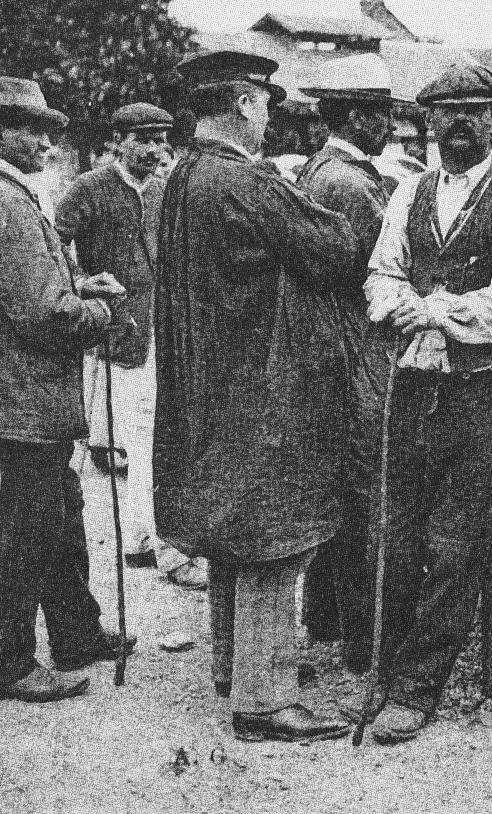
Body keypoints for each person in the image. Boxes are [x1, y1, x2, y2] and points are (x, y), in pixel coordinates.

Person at [154, 49, 363, 743]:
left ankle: (232, 666)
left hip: (213, 382)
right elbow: (332, 248)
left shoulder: (184, 175)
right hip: (262, 385)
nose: (272, 116)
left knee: (228, 533)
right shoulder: (246, 181)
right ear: (243, 103)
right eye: (266, 102)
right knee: (276, 537)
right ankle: (265, 698)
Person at [357, 62, 492, 745]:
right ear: (428, 121)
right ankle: (383, 666)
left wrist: (434, 310)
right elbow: (380, 275)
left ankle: (415, 687)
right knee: (396, 533)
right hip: (414, 388)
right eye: (449, 112)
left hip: (484, 392)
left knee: (455, 547)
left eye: (476, 111)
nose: (462, 123)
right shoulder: (408, 192)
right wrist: (399, 305)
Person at [0, 76, 136, 704]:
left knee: (58, 506)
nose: (46, 142)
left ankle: (76, 632)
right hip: (22, 394)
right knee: (32, 526)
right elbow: (42, 315)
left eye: (48, 129)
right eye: (33, 129)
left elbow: (24, 294)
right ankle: (4, 664)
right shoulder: (5, 201)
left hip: (2, 389)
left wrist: (80, 285)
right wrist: (99, 314)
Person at [56, 102, 207, 592]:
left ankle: (143, 536)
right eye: (143, 138)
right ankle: (169, 549)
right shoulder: (89, 189)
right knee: (145, 442)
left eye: (162, 139)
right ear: (117, 140)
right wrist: (81, 283)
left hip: (172, 332)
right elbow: (51, 247)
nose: (155, 150)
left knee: (161, 438)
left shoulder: (167, 191)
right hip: (121, 337)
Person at [295, 53, 396, 672]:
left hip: (332, 350)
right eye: (380, 113)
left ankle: (327, 617)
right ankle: (367, 639)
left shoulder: (322, 170)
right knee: (367, 496)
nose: (387, 125)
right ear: (357, 114)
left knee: (341, 492)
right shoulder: (351, 185)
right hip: (360, 349)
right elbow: (381, 271)